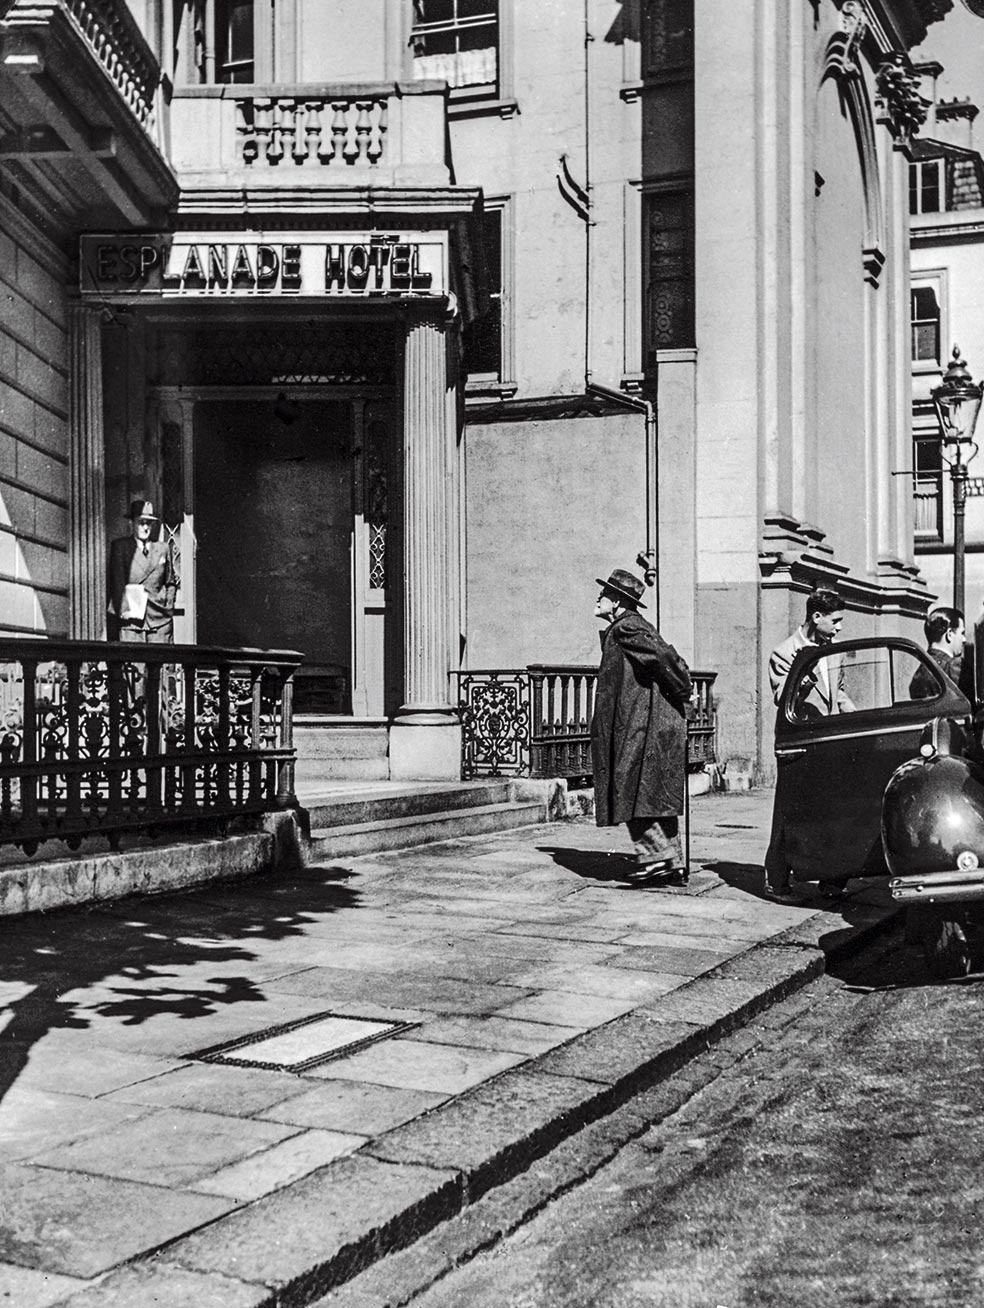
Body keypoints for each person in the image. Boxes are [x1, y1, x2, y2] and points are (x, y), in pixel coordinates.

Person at [590, 567, 693, 886]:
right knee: (653, 793)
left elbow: (661, 656)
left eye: (605, 594)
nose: (599, 598)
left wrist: (683, 688)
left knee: (631, 787)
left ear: (617, 602)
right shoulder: (629, 625)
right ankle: (672, 860)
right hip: (642, 721)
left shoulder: (627, 626)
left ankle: (656, 858)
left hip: (639, 724)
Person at [764, 587, 851, 902]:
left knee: (835, 810)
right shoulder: (784, 652)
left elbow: (839, 694)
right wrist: (807, 669)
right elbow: (782, 698)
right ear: (816, 617)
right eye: (835, 620)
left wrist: (857, 718)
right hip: (799, 742)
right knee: (789, 813)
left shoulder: (835, 650)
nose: (839, 628)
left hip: (830, 741)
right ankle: (776, 881)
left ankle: (832, 880)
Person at [107, 500, 177, 643]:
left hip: (160, 620)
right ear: (131, 524)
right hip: (131, 620)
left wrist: (168, 605)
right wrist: (125, 610)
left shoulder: (162, 549)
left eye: (149, 523)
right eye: (141, 523)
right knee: (133, 658)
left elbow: (170, 582)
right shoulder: (121, 547)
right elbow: (117, 584)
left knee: (162, 657)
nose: (145, 527)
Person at [909, 606, 965, 699]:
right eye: (962, 633)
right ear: (949, 634)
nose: (964, 639)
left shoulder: (920, 673)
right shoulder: (955, 667)